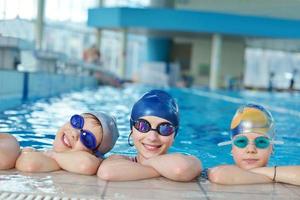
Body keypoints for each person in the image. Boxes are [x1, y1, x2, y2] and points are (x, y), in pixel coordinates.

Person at [97, 90, 202, 181]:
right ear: (132, 129)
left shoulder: (190, 161)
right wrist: (160, 170)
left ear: (174, 134)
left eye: (165, 128)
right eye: (143, 126)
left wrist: (144, 164)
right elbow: (106, 173)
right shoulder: (119, 159)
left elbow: (180, 170)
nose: (152, 137)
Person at [208, 104, 300, 185]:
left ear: (272, 148)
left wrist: (255, 173)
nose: (251, 150)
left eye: (261, 142)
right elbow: (218, 175)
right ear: (232, 148)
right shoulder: (222, 169)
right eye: (241, 142)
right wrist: (276, 177)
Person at [16, 112, 119, 175]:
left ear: (93, 154)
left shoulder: (89, 162)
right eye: (77, 122)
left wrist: (53, 156)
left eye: (87, 138)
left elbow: (28, 163)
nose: (75, 133)